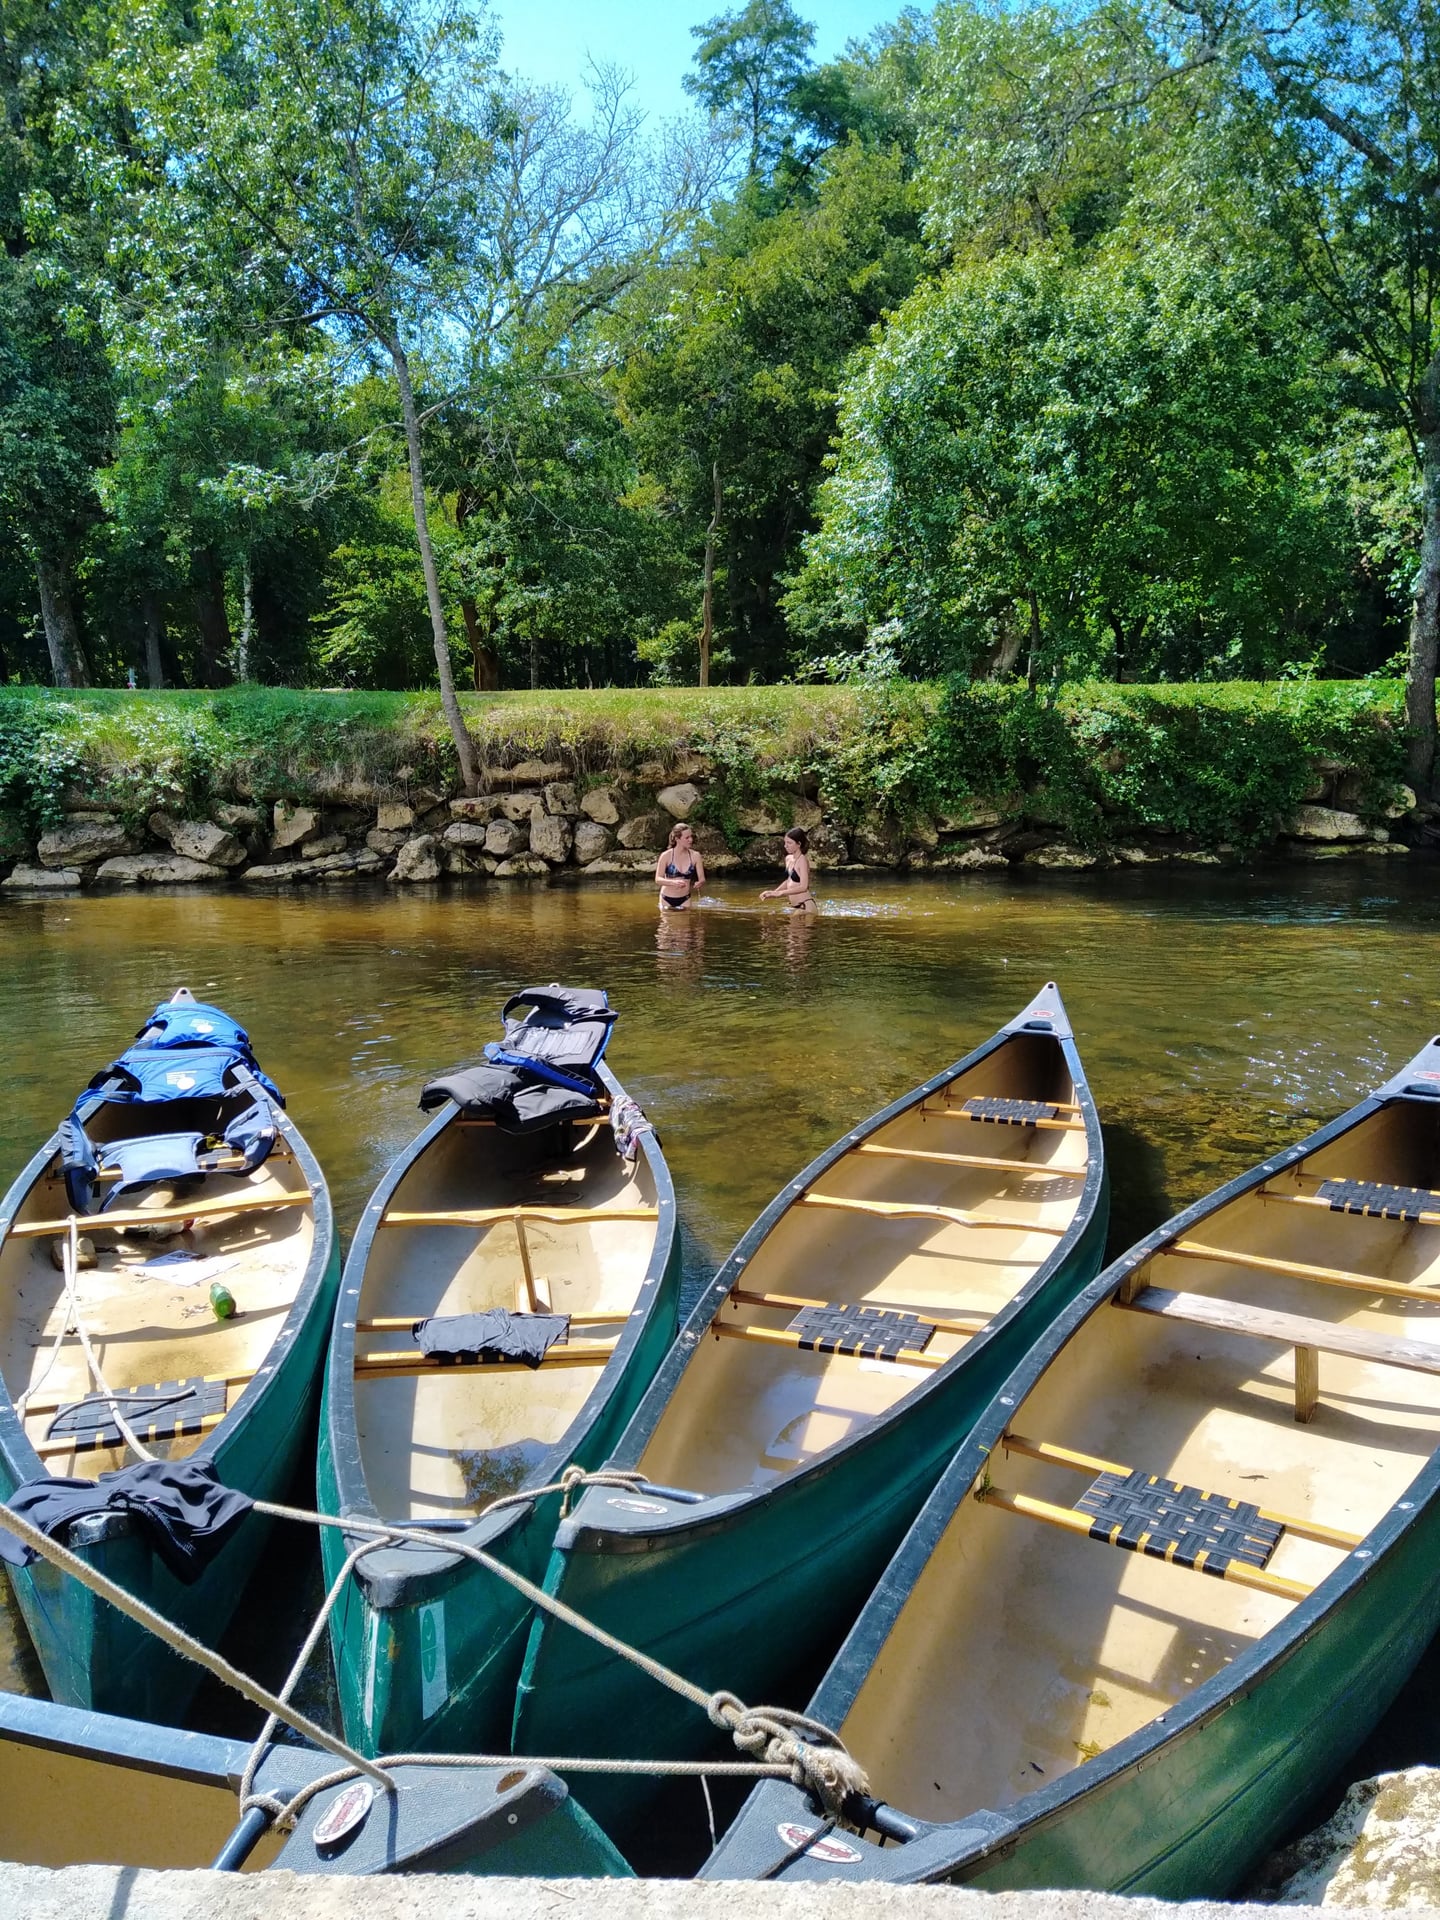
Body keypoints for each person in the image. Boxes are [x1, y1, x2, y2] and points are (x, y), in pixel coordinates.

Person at [760, 827, 817, 911]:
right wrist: (773, 892)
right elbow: (789, 881)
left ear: (798, 844)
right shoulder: (788, 858)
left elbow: (804, 887)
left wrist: (780, 893)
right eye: (785, 842)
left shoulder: (802, 860)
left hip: (805, 906)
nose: (785, 846)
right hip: (794, 907)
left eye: (789, 843)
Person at [655, 822, 705, 911]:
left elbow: (702, 879)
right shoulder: (666, 856)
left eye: (691, 836)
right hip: (666, 899)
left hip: (685, 899)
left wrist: (699, 883)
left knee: (685, 925)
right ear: (677, 838)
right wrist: (673, 883)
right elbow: (658, 879)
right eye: (687, 837)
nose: (691, 840)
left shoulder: (695, 856)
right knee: (667, 924)